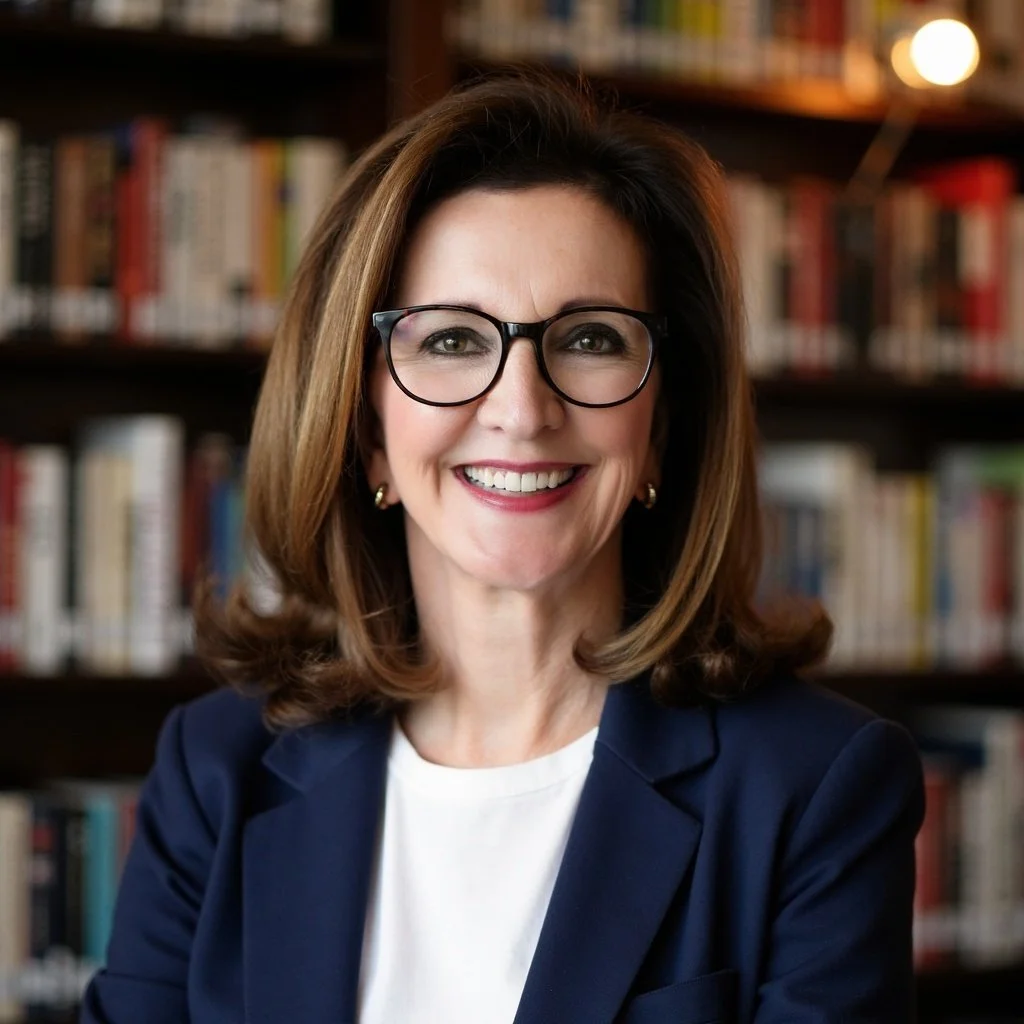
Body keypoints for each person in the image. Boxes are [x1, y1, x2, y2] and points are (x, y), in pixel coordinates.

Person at [79, 70, 924, 1024]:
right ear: (363, 426)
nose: (522, 411)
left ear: (661, 424)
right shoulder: (217, 768)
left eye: (591, 338)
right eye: (449, 343)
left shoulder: (815, 785)